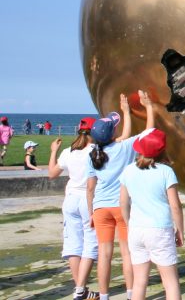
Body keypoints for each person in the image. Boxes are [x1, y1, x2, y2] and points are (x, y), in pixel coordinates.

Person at [87, 91, 155, 300]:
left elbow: (90, 188)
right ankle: (130, 294)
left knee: (104, 255)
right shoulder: (124, 148)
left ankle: (105, 295)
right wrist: (149, 107)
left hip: (100, 209)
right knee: (127, 253)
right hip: (122, 208)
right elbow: (149, 131)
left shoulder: (93, 154)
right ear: (112, 134)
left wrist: (91, 213)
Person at [120, 128, 184, 300]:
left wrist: (128, 224)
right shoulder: (166, 171)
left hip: (136, 229)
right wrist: (180, 230)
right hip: (160, 229)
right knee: (170, 282)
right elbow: (175, 206)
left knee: (139, 282)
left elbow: (123, 202)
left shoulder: (129, 170)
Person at [49, 117, 100, 300]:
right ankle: (80, 289)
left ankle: (81, 289)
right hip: (89, 199)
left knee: (73, 245)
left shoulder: (68, 151)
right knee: (90, 244)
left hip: (70, 200)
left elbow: (52, 174)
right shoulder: (96, 151)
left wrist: (53, 151)